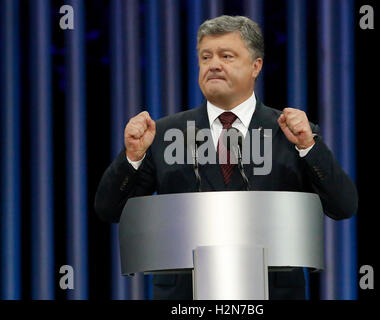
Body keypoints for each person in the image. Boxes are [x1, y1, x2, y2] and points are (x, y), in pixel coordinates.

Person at [95, 15, 358, 300]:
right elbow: (109, 209)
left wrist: (309, 146)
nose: (214, 65)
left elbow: (343, 205)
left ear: (255, 66)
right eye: (206, 57)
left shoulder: (290, 132)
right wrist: (132, 157)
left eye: (226, 56)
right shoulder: (163, 134)